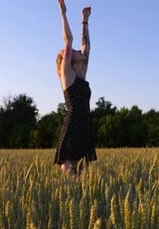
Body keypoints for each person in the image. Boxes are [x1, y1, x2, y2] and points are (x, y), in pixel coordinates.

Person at [54, 0, 97, 176]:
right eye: (72, 52)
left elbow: (87, 47)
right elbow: (68, 40)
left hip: (84, 124)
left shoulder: (81, 74)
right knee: (70, 176)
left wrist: (84, 21)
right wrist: (63, 13)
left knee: (84, 180)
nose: (79, 51)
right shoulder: (67, 74)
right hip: (73, 126)